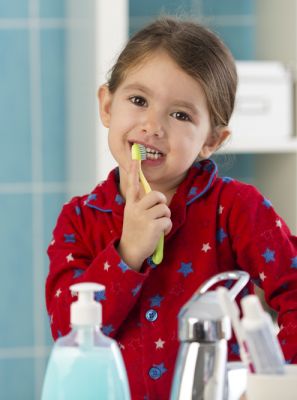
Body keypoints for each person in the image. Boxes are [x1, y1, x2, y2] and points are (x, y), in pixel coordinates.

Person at [46, 16, 297, 400]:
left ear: (212, 139)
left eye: (180, 115)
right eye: (138, 100)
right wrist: (127, 253)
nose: (152, 125)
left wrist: (271, 384)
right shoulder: (80, 220)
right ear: (107, 105)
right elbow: (67, 333)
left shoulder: (238, 210)